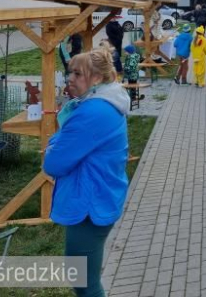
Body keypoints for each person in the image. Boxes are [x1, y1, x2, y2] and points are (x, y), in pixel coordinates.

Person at [44, 47, 130, 297]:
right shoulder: (105, 103)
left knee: (84, 283)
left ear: (98, 78)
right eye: (70, 72)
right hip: (98, 197)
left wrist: (53, 144)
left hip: (89, 206)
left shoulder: (93, 111)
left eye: (78, 74)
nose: (70, 79)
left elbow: (54, 163)